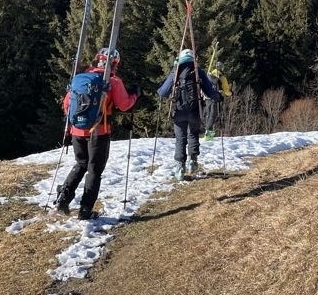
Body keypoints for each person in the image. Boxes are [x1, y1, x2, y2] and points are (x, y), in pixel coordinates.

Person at [55, 47, 139, 219]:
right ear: (114, 64)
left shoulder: (80, 78)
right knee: (94, 170)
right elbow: (124, 105)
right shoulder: (112, 81)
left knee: (81, 164)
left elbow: (67, 105)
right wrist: (135, 95)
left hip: (77, 130)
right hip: (99, 131)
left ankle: (63, 198)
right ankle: (85, 209)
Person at [157, 48, 222, 180]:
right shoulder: (198, 72)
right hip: (195, 110)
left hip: (179, 111)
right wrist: (218, 97)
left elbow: (163, 93)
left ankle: (180, 167)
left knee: (180, 138)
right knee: (193, 134)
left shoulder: (176, 71)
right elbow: (210, 92)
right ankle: (193, 161)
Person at [203, 67, 232, 140]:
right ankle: (208, 135)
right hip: (215, 99)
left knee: (208, 116)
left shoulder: (208, 76)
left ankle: (209, 134)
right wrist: (230, 93)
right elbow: (226, 90)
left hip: (207, 98)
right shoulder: (222, 78)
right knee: (213, 116)